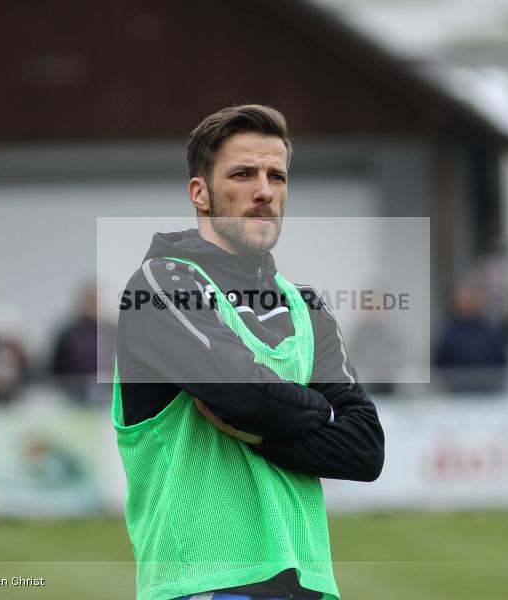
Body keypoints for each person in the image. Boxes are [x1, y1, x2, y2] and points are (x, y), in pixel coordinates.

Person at [112, 105, 384, 600]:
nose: (264, 191)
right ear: (200, 192)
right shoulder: (160, 283)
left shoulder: (304, 304)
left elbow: (366, 450)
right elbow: (244, 398)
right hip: (205, 583)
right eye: (243, 174)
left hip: (309, 582)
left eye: (276, 176)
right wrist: (322, 411)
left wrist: (261, 434)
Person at [433, 282, 508, 393]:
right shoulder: (447, 333)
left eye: (471, 300)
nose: (468, 304)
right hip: (456, 396)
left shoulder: (492, 331)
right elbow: (439, 363)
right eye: (464, 301)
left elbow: (501, 362)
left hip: (488, 395)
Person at [49, 283, 116, 404]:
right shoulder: (69, 332)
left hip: (105, 393)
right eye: (90, 301)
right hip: (73, 394)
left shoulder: (110, 330)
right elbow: (56, 367)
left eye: (96, 302)